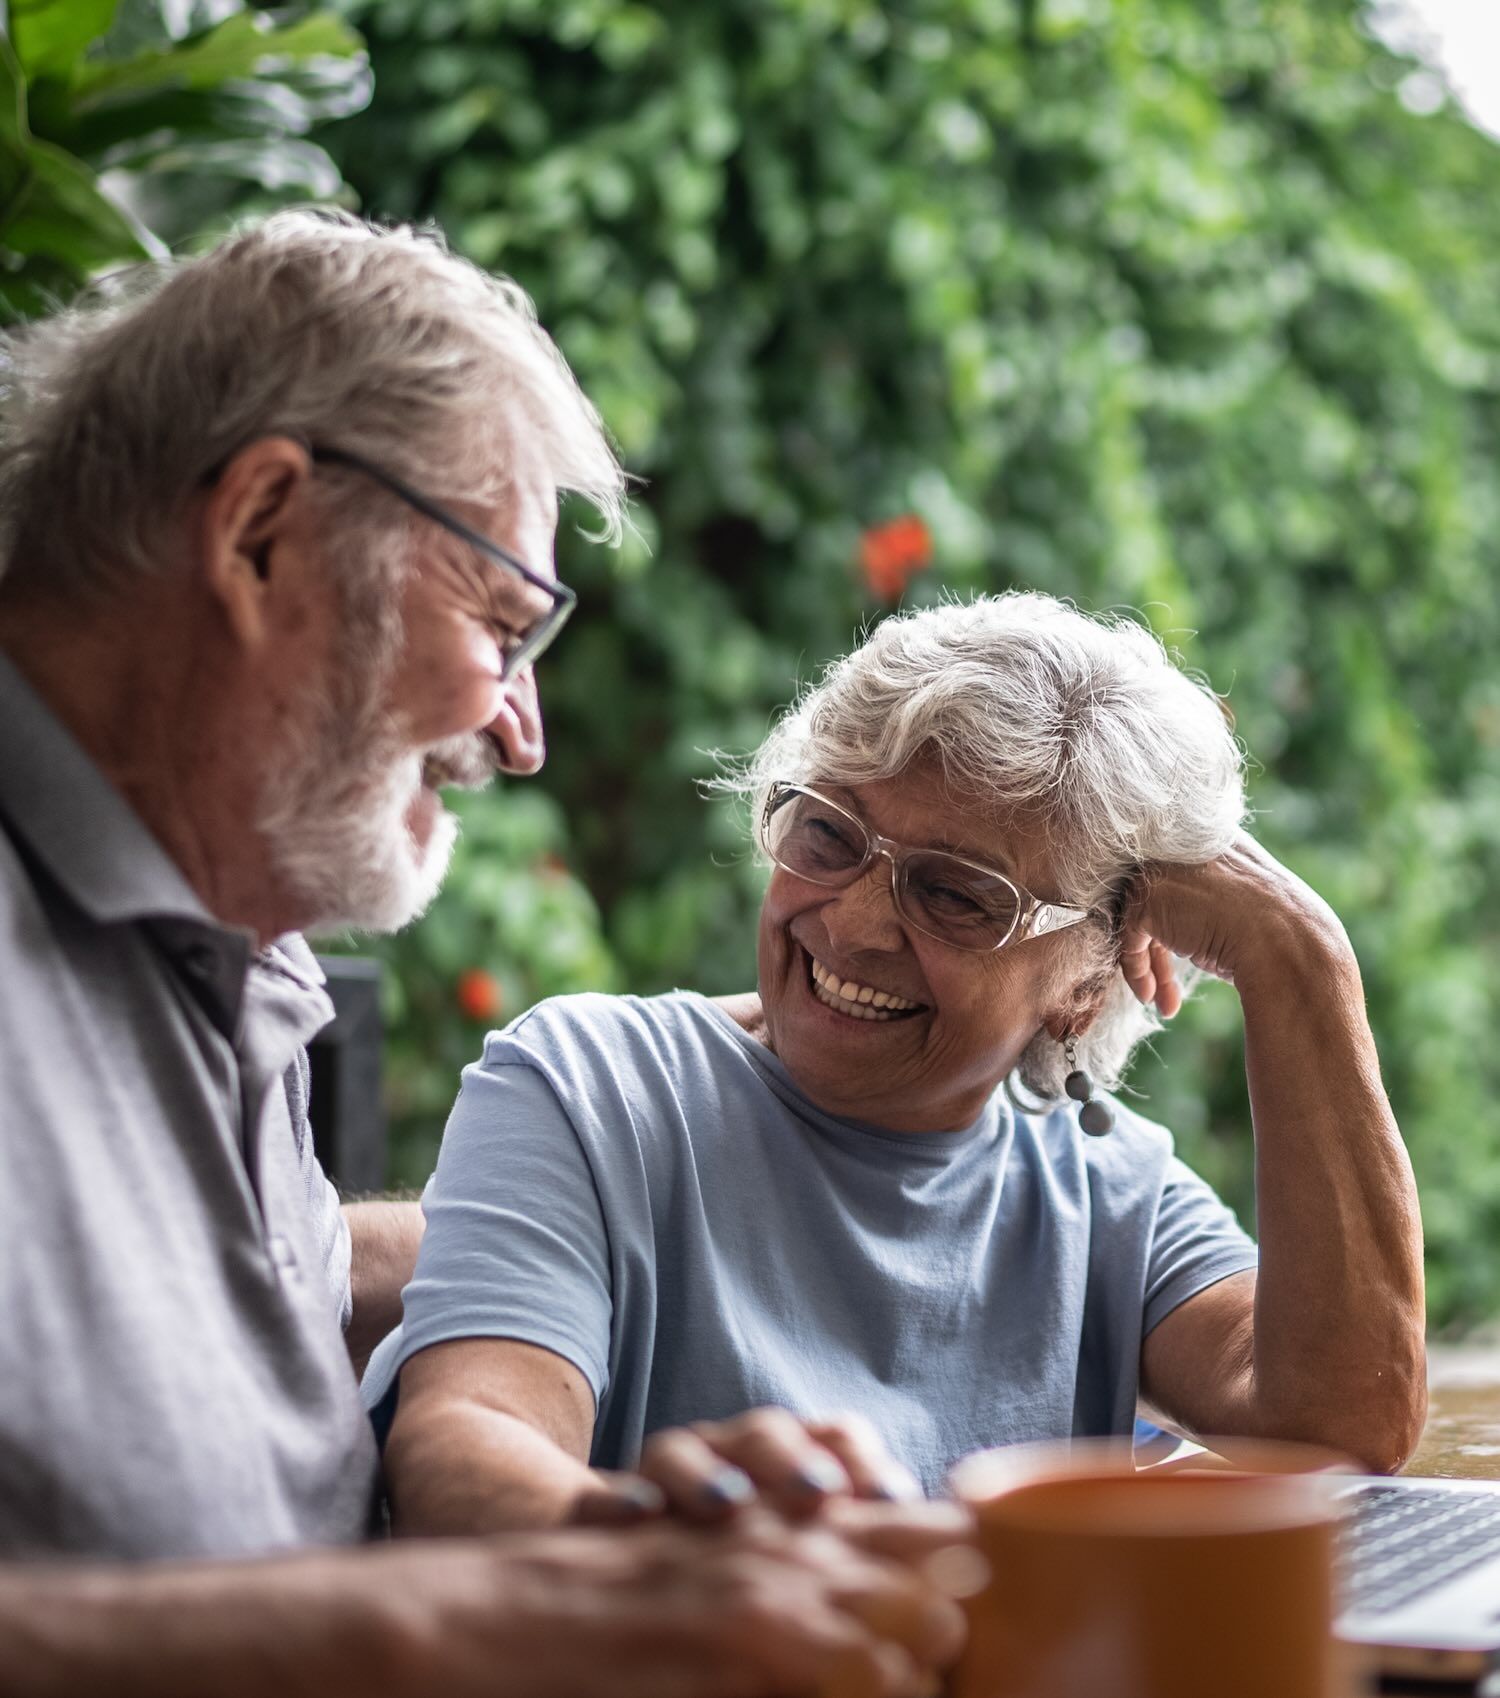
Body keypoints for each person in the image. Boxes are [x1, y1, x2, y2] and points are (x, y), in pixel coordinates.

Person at [0, 209, 969, 1698]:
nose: (520, 733)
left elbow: (261, 1279)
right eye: (502, 625)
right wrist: (453, 1622)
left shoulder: (217, 944)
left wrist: (653, 1539)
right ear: (261, 532)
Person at [364, 593, 1429, 1535]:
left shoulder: (1110, 1192)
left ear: (1085, 985)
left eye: (956, 894)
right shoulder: (594, 1087)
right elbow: (464, 1462)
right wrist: (687, 1555)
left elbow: (1338, 1421)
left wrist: (1303, 964)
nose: (858, 924)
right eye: (828, 837)